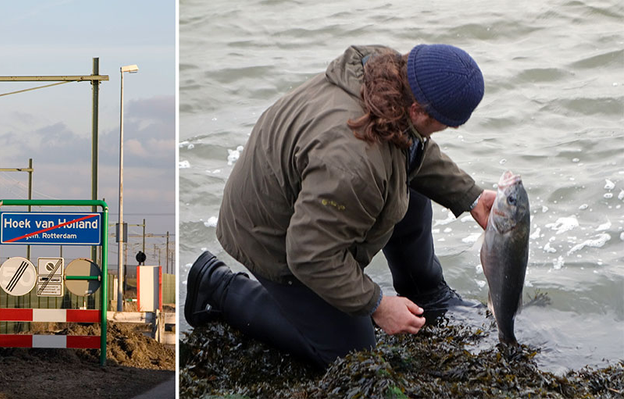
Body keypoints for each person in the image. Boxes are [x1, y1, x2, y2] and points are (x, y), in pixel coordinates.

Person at [184, 44, 498, 369]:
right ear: (417, 108)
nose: (453, 128)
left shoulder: (386, 74)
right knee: (352, 354)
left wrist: (471, 196)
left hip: (306, 196)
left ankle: (425, 295)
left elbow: (412, 147)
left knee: (405, 180)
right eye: (447, 123)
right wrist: (377, 304)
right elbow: (310, 255)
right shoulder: (354, 165)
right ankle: (218, 288)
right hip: (269, 234)